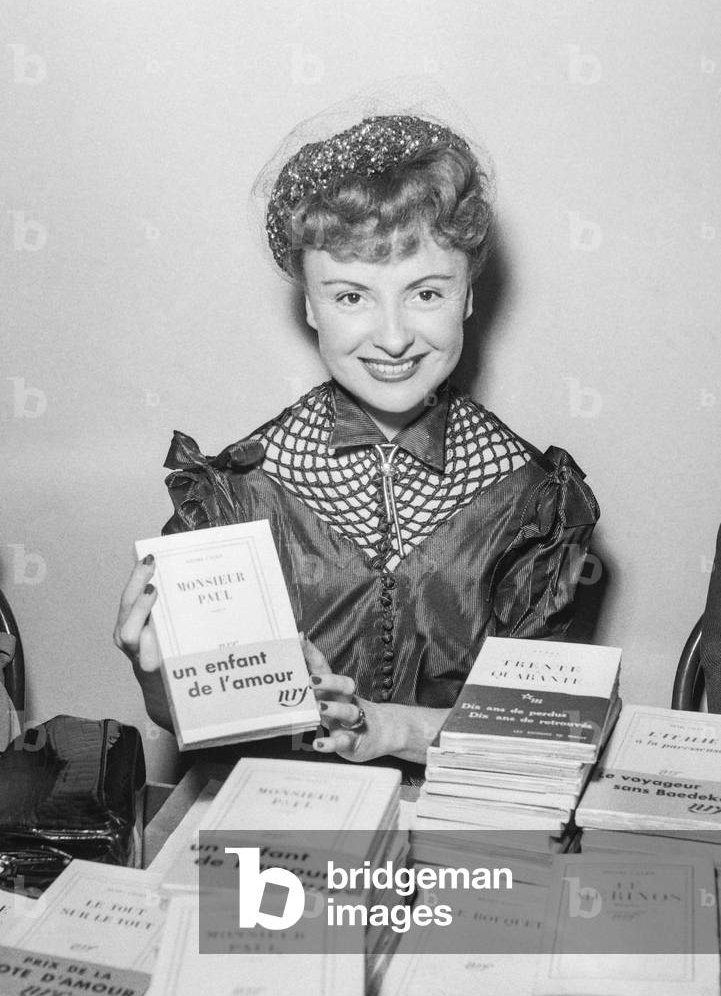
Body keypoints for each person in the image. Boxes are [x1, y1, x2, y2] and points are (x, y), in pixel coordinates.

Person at [114, 109, 600, 772]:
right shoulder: (233, 494)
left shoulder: (538, 505)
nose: (393, 335)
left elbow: (543, 727)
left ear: (467, 295)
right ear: (309, 304)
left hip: (465, 836)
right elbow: (192, 715)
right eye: (351, 297)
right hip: (283, 840)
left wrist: (389, 727)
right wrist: (158, 675)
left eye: (425, 292)